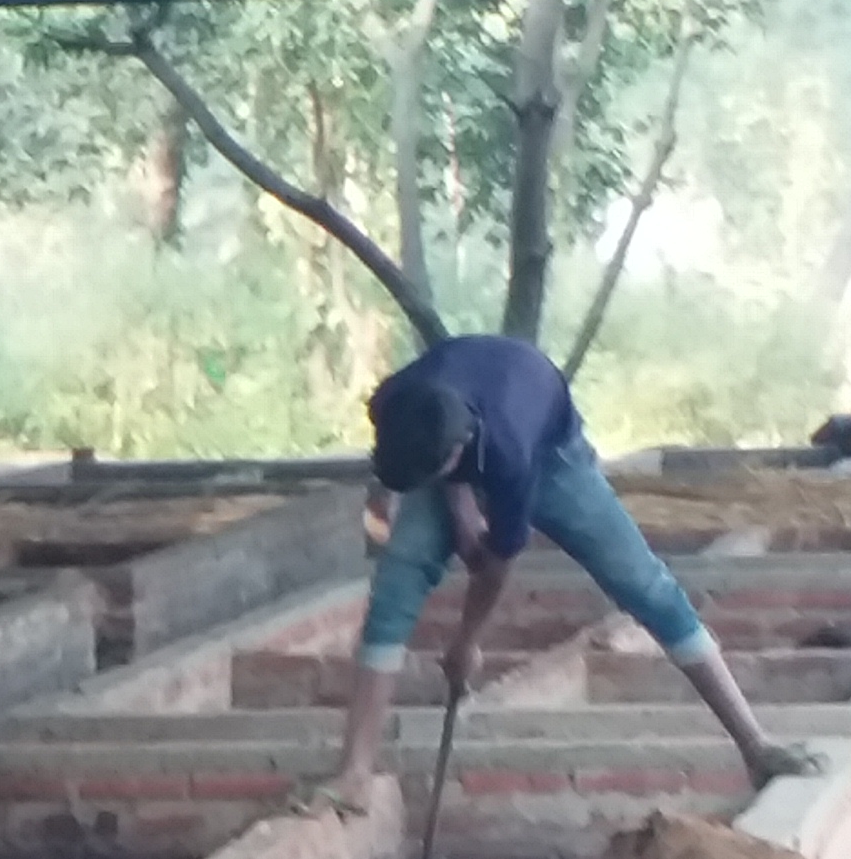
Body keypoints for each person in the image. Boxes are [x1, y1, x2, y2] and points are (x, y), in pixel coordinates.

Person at [326, 334, 820, 803]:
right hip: (465, 431)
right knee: (394, 589)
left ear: (456, 450)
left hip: (553, 458)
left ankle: (755, 746)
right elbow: (432, 470)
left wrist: (466, 642)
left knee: (645, 587)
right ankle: (354, 776)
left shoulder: (509, 454)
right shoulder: (395, 402)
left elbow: (495, 567)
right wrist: (457, 505)